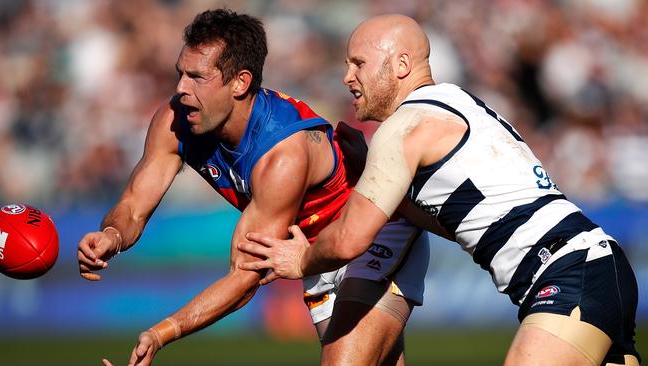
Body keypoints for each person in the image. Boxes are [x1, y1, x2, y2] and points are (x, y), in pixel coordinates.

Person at [238, 14, 641, 366]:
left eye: (359, 63)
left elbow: (348, 240)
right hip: (597, 267)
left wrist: (303, 260)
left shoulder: (403, 128)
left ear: (400, 64)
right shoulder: (460, 103)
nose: (347, 77)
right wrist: (376, 178)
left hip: (569, 272)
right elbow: (462, 224)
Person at [76, 9, 430, 366]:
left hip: (373, 233)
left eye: (197, 77)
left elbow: (246, 276)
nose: (181, 88)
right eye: (180, 73)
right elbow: (135, 205)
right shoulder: (176, 120)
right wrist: (112, 234)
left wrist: (162, 333)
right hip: (314, 255)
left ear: (240, 83)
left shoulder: (281, 153)